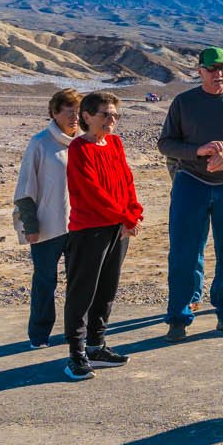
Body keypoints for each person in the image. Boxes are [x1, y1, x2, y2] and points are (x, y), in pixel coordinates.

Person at [157, 47, 223, 341]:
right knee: (184, 253)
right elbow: (166, 143)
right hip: (191, 182)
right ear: (200, 71)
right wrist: (197, 151)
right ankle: (178, 317)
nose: (219, 74)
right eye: (212, 68)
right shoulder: (184, 102)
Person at [63, 91, 143, 381]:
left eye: (115, 115)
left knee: (107, 289)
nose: (112, 120)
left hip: (118, 228)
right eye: (105, 114)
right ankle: (76, 353)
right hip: (90, 230)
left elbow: (126, 180)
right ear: (87, 116)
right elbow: (93, 193)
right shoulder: (79, 149)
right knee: (82, 291)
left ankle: (97, 345)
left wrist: (133, 212)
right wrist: (125, 216)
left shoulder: (115, 144)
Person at [12, 88, 82, 348]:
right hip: (46, 227)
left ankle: (74, 331)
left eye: (78, 112)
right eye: (69, 111)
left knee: (77, 282)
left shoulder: (84, 142)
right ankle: (39, 334)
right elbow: (25, 186)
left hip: (79, 225)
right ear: (54, 112)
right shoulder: (40, 143)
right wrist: (30, 224)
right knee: (44, 281)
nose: (74, 117)